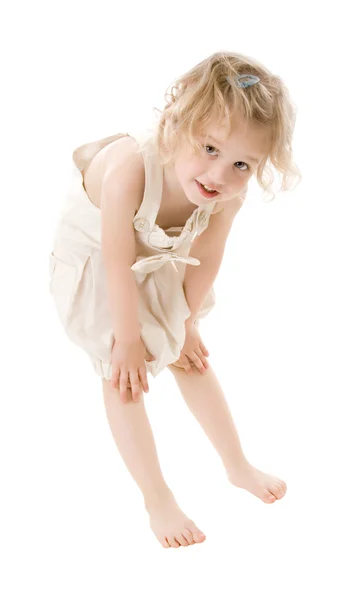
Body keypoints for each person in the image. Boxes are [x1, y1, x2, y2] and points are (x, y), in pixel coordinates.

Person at [48, 51, 302, 549]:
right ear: (176, 124)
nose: (219, 174)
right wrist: (125, 340)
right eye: (208, 148)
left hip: (163, 252)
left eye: (241, 164)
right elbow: (118, 260)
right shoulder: (130, 173)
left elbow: (207, 253)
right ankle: (156, 496)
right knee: (124, 372)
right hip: (101, 252)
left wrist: (186, 323)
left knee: (192, 356)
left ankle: (237, 465)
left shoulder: (227, 193)